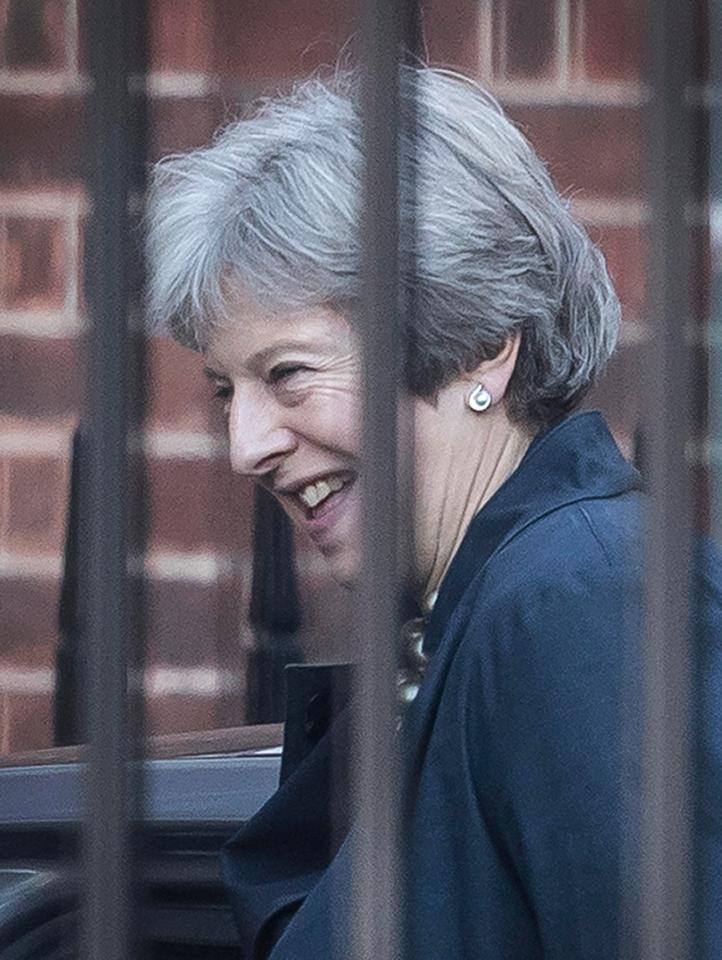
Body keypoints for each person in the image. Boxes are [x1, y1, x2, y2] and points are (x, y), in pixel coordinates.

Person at [146, 67, 721, 959]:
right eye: (226, 390)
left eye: (288, 372)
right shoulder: (493, 616)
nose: (245, 446)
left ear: (482, 346)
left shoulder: (582, 603)